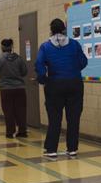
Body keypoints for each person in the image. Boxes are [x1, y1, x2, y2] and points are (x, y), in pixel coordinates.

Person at [35, 18, 88, 160]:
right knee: (73, 118)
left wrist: (43, 80)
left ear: (51, 30)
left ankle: (52, 150)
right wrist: (72, 71)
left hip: (54, 85)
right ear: (64, 29)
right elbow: (83, 62)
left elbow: (39, 65)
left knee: (55, 118)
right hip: (75, 84)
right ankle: (72, 149)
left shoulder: (45, 47)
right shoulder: (74, 44)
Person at [0, 38, 28, 138]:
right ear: (11, 46)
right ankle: (22, 131)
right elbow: (24, 72)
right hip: (19, 88)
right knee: (21, 110)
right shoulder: (19, 59)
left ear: (2, 47)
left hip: (5, 89)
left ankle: (10, 132)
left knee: (8, 110)